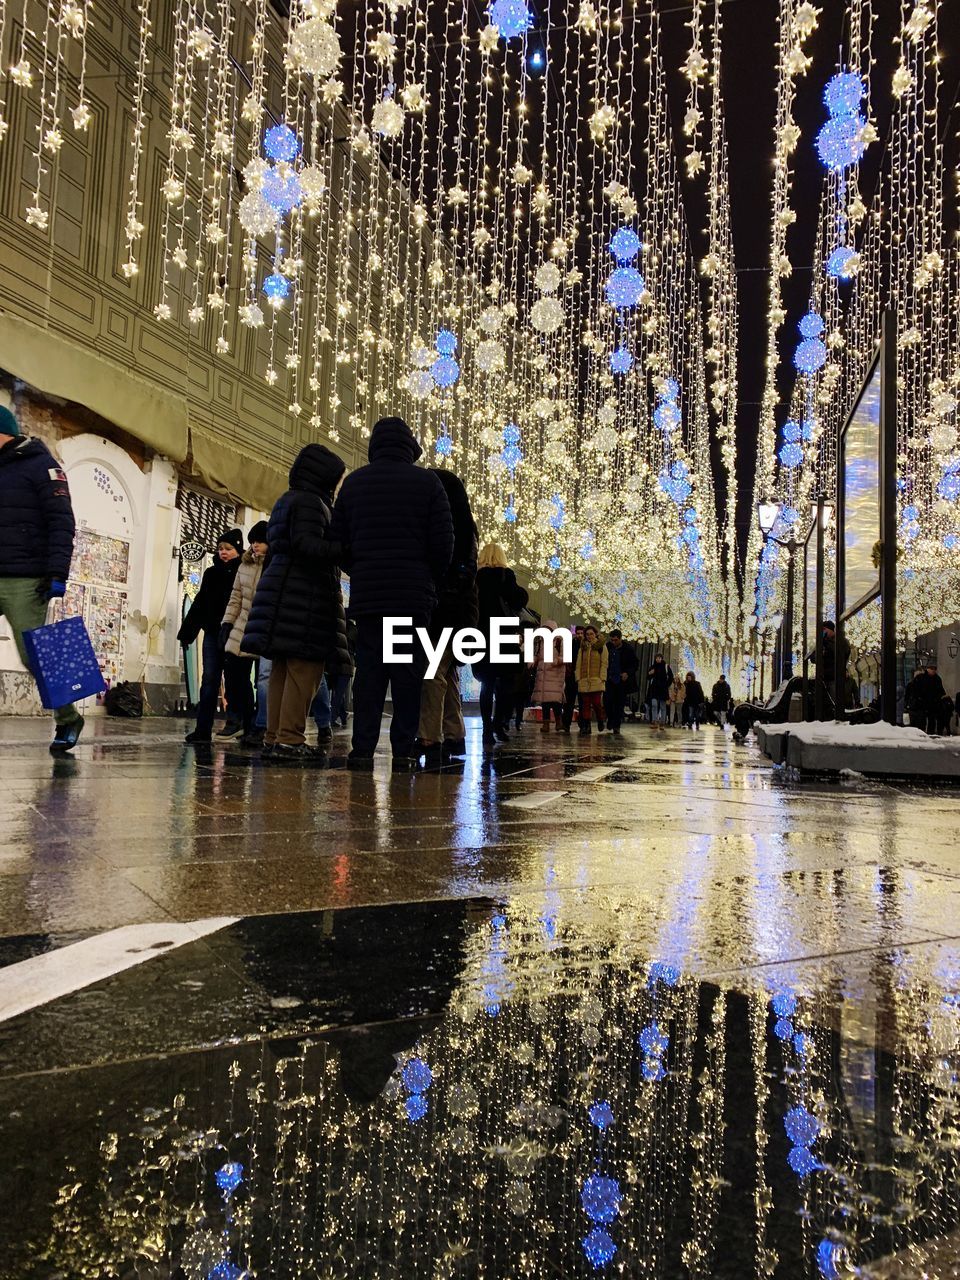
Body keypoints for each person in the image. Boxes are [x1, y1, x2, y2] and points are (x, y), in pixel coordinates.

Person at [330, 416, 454, 770]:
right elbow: (443, 544)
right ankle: (402, 751)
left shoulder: (353, 484)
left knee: (369, 673)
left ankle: (362, 749)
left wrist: (364, 571)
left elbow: (339, 543)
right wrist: (427, 579)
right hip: (411, 599)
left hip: (370, 599)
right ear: (409, 447)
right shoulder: (427, 483)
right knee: (407, 675)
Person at [242, 444, 350, 761]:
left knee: (282, 669)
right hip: (304, 598)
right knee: (305, 669)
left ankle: (275, 735)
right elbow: (307, 545)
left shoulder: (286, 501)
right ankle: (290, 738)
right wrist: (342, 547)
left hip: (282, 593)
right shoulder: (311, 503)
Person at [0, 404, 84, 752]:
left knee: (34, 655)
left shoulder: (41, 466)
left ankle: (68, 718)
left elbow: (62, 521)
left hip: (25, 578)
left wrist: (56, 573)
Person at [418, 469, 478, 768]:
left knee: (433, 671)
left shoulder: (446, 527)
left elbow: (447, 572)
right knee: (448, 673)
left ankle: (430, 736)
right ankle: (455, 734)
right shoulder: (466, 527)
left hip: (445, 611)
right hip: (462, 613)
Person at [178, 527, 243, 744]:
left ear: (238, 550)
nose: (223, 552)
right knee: (209, 681)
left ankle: (238, 723)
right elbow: (200, 603)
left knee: (235, 681)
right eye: (220, 548)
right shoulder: (211, 573)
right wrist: (188, 631)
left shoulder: (242, 571)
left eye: (228, 548)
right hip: (213, 634)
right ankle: (202, 729)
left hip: (235, 634)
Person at [474, 542, 529, 746]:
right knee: (506, 682)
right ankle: (499, 722)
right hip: (503, 633)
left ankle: (486, 729)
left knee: (486, 685)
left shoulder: (475, 576)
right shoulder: (506, 575)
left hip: (481, 633)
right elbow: (518, 600)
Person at [217, 521, 268, 743]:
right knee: (235, 674)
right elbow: (235, 597)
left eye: (259, 542)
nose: (255, 546)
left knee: (264, 680)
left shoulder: (275, 564)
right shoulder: (245, 564)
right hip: (243, 625)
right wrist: (227, 623)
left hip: (267, 627)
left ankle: (260, 725)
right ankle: (245, 720)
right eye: (253, 541)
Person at [531, 618, 567, 732]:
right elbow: (537, 655)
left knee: (555, 700)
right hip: (543, 675)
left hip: (555, 675)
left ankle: (558, 722)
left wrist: (556, 661)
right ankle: (545, 724)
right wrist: (532, 662)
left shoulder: (559, 641)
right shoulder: (540, 642)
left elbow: (565, 656)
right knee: (545, 701)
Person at [604, 629, 638, 735]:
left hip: (621, 681)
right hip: (609, 679)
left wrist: (627, 673)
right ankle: (610, 719)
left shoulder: (628, 649)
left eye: (616, 640)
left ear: (620, 639)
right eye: (612, 640)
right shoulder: (608, 647)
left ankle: (616, 725)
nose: (614, 642)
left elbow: (635, 664)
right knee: (607, 702)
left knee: (619, 704)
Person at [575, 625, 607, 734]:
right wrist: (578, 678)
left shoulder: (601, 646)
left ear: (595, 634)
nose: (589, 636)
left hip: (596, 679)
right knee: (585, 704)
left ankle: (600, 719)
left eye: (591, 634)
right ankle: (586, 726)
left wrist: (602, 677)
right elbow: (579, 664)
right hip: (584, 680)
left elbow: (604, 663)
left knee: (597, 703)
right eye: (587, 634)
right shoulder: (582, 647)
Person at [909, 661, 947, 735]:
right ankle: (922, 733)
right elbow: (914, 690)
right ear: (927, 669)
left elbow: (940, 691)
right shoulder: (920, 678)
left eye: (935, 669)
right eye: (931, 668)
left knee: (931, 721)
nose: (933, 670)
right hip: (922, 703)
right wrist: (918, 698)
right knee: (921, 720)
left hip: (933, 703)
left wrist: (938, 698)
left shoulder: (937, 679)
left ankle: (930, 733)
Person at [561, 624, 585, 733]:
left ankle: (583, 724)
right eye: (578, 633)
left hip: (583, 677)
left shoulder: (587, 646)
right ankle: (566, 724)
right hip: (571, 677)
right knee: (569, 702)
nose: (580, 635)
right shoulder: (571, 644)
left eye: (581, 633)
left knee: (583, 702)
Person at [646, 653, 673, 731]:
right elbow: (648, 677)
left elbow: (671, 677)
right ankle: (654, 721)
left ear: (662, 658)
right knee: (654, 705)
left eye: (659, 658)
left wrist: (666, 685)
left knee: (662, 706)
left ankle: (662, 723)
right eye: (656, 658)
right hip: (654, 689)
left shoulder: (666, 666)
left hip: (663, 690)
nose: (658, 659)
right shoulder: (653, 666)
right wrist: (650, 673)